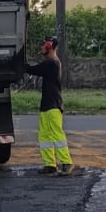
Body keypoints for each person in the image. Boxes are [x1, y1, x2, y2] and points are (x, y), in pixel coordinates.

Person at [26, 36, 73, 175]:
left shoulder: (53, 63)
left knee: (57, 135)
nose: (41, 48)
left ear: (49, 46)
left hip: (53, 105)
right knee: (44, 136)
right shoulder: (49, 63)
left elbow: (35, 69)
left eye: (43, 45)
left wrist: (23, 66)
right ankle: (50, 164)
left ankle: (66, 163)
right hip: (46, 105)